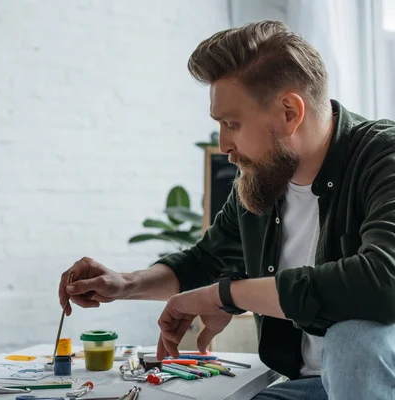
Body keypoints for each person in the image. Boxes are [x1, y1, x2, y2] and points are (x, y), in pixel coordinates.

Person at [58, 20, 395, 399]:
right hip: (305, 387)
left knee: (356, 337)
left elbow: (383, 280)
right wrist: (126, 284)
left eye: (232, 124)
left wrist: (226, 296)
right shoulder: (264, 178)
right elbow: (207, 260)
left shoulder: (384, 157)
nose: (223, 145)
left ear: (289, 112)